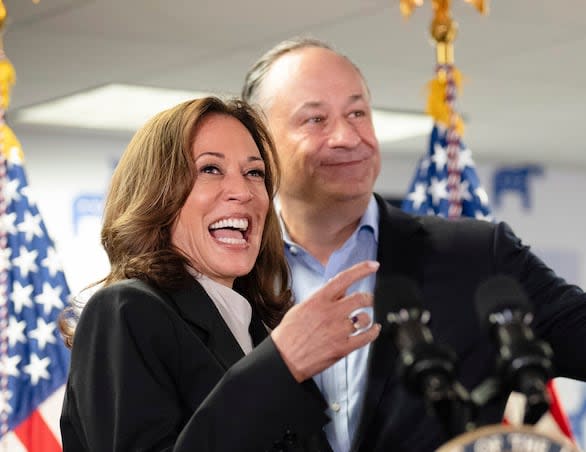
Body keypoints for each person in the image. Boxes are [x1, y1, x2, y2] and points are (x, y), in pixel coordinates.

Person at [240, 37, 586, 452]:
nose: (347, 135)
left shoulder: (473, 258)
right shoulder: (225, 273)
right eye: (316, 118)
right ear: (261, 140)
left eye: (357, 113)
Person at [58, 97, 380, 452]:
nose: (243, 192)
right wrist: (280, 364)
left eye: (254, 173)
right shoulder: (125, 309)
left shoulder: (254, 329)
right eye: (210, 169)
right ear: (156, 193)